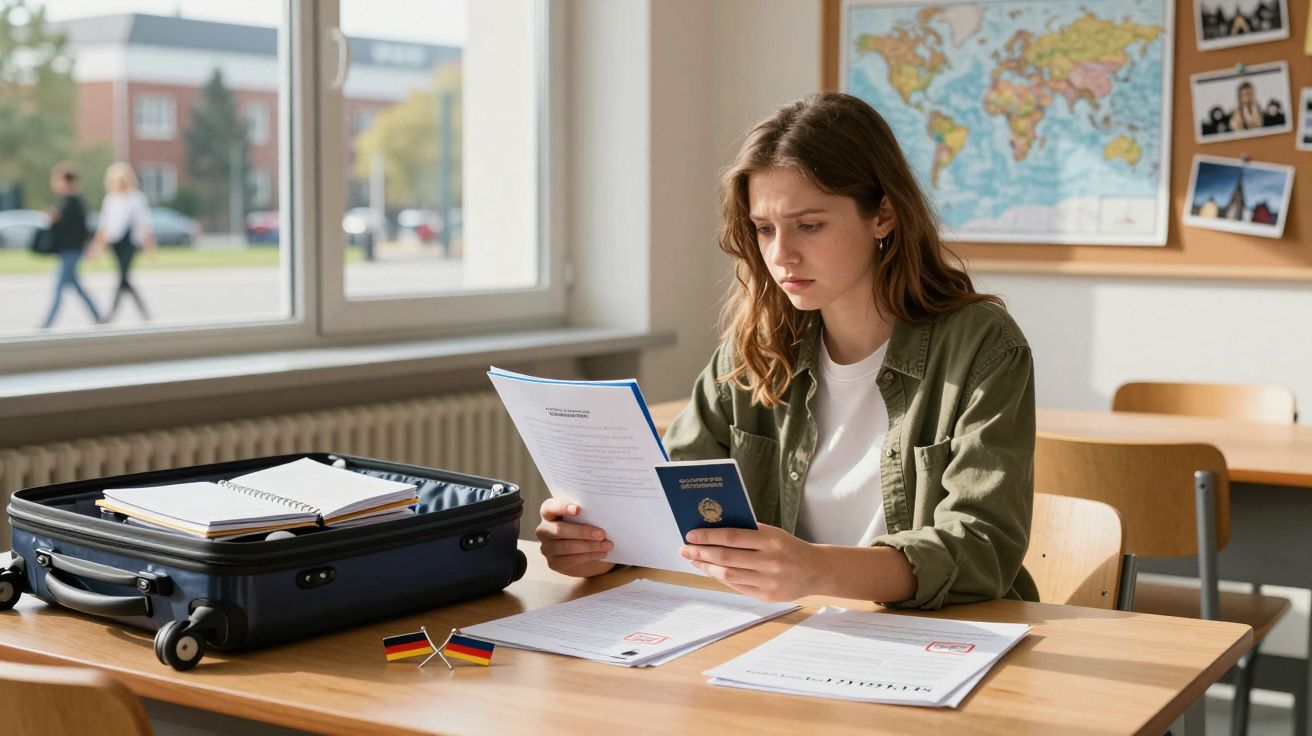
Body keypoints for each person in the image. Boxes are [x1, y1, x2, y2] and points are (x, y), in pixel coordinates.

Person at [535, 92, 1038, 610]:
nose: (781, 255)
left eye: (810, 225)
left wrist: (815, 568)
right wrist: (603, 547)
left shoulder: (983, 345)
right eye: (764, 229)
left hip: (947, 641)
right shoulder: (754, 345)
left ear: (883, 214)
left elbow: (984, 549)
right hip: (787, 637)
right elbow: (670, 509)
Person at [90, 162, 157, 322]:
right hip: (115, 242)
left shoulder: (136, 198)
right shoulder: (110, 199)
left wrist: (150, 245)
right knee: (124, 278)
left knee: (122, 276)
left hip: (130, 243)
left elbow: (143, 223)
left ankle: (111, 313)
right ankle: (143, 310)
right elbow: (104, 225)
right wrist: (97, 247)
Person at [38, 163, 102, 328]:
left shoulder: (73, 202)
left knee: (60, 287)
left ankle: (47, 323)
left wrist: (55, 220)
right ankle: (99, 317)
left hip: (70, 250)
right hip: (68, 249)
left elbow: (80, 228)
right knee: (76, 286)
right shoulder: (67, 202)